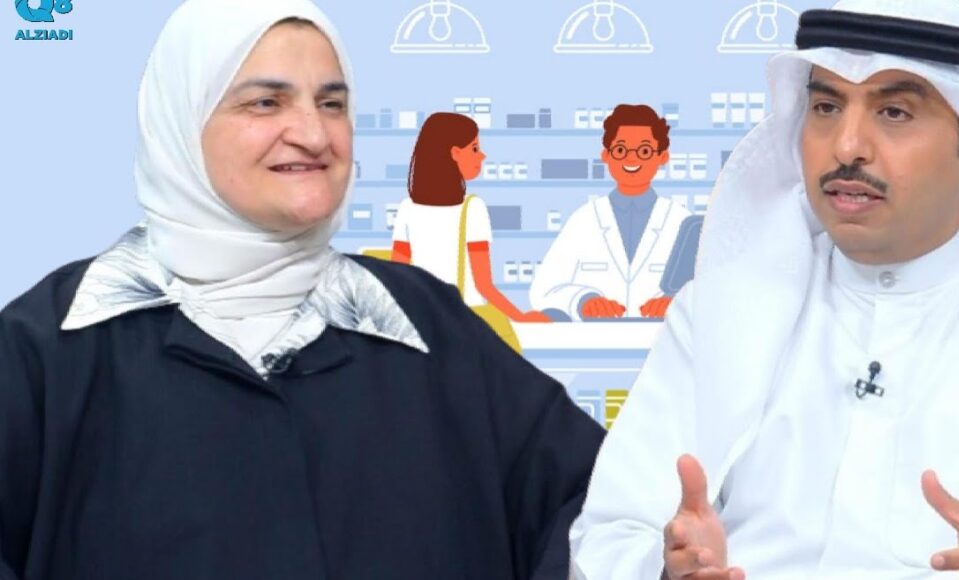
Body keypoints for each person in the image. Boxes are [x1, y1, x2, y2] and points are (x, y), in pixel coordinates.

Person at [0, 1, 603, 578]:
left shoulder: (430, 325)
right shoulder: (45, 352)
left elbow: (596, 505)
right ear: (180, 122)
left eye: (331, 103)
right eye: (266, 102)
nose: (314, 134)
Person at [570, 0, 959, 579]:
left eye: (894, 112)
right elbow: (610, 534)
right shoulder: (722, 310)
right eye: (826, 107)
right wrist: (669, 570)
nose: (846, 146)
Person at [530, 104, 691, 321]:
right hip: (597, 337)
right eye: (620, 150)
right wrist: (583, 300)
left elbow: (709, 286)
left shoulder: (681, 220)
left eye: (644, 151)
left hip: (661, 336)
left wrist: (676, 300)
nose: (631, 160)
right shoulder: (584, 220)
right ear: (606, 155)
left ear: (662, 157)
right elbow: (543, 289)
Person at [391, 113, 551, 329]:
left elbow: (397, 278)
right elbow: (484, 285)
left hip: (425, 319)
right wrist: (520, 317)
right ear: (455, 153)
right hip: (465, 319)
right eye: (475, 149)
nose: (482, 156)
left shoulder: (407, 208)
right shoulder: (472, 208)